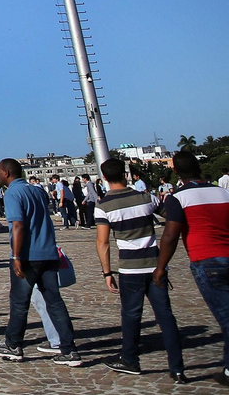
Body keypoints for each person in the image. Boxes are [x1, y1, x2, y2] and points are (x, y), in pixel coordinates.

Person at [94, 156, 183, 379]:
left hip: (129, 268)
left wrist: (107, 272)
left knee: (131, 315)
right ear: (125, 174)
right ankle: (177, 367)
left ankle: (130, 358)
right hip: (155, 265)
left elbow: (102, 242)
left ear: (104, 178)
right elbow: (170, 217)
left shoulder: (104, 205)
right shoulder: (146, 198)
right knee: (166, 316)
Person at [0, 158, 81, 365]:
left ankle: (13, 344)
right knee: (54, 302)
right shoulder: (37, 190)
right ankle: (68, 349)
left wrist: (16, 256)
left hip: (29, 254)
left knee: (20, 302)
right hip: (49, 252)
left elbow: (18, 225)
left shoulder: (12, 193)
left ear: (7, 173)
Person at [159, 148, 229, 387]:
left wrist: (160, 267)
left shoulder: (178, 197)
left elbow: (170, 235)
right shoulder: (222, 192)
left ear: (176, 172)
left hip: (206, 259)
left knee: (226, 318)